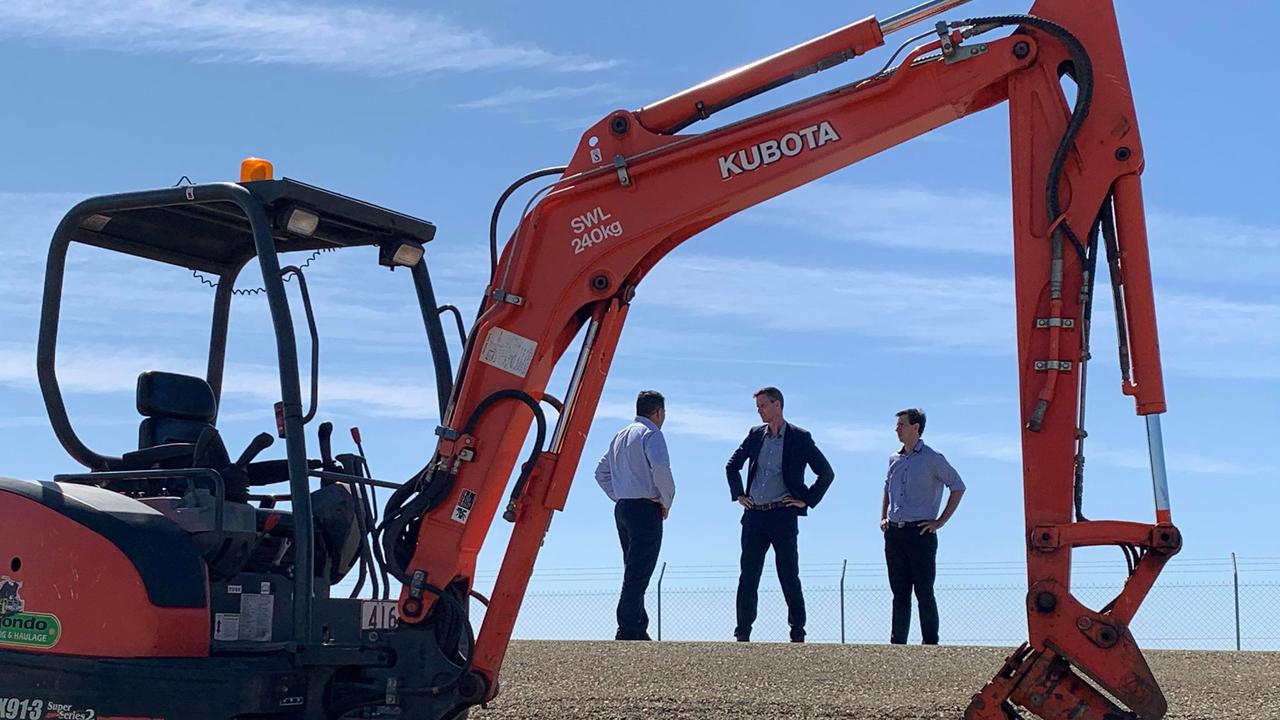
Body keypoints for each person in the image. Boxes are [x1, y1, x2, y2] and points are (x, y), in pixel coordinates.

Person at [726, 386, 834, 643]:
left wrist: (804, 500)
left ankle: (797, 631)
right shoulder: (755, 435)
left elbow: (826, 473)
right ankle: (743, 632)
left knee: (788, 574)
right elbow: (732, 466)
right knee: (749, 574)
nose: (760, 411)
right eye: (758, 407)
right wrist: (739, 494)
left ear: (778, 405)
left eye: (763, 405)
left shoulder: (799, 437)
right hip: (754, 516)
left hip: (783, 516)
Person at [880, 408, 965, 645]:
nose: (897, 429)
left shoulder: (933, 458)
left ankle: (930, 645)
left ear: (916, 428)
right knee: (899, 593)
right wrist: (883, 517)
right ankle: (898, 643)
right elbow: (887, 488)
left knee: (924, 592)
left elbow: (958, 487)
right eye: (897, 425)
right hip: (894, 532)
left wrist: (940, 521)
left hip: (921, 533)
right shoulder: (894, 459)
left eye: (902, 425)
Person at [595, 390, 675, 641]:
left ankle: (638, 624)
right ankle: (629, 626)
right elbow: (661, 469)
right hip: (645, 508)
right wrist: (666, 500)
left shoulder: (620, 435)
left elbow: (600, 472)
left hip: (624, 508)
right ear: (659, 412)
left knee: (633, 567)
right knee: (639, 570)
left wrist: (619, 495)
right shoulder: (652, 434)